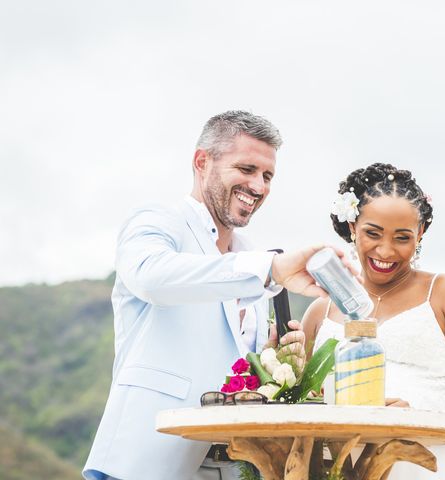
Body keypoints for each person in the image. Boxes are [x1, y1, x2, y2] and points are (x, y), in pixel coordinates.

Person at [83, 111, 352, 480]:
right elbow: (152, 279)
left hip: (237, 466)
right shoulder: (157, 220)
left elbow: (235, 364)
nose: (258, 186)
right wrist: (269, 270)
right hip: (149, 457)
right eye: (246, 169)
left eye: (267, 176)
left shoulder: (252, 256)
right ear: (202, 162)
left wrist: (273, 361)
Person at [302, 163, 445, 479]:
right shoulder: (319, 312)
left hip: (432, 465)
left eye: (402, 237)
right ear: (352, 225)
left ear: (420, 233)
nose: (386, 250)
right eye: (373, 233)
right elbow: (304, 406)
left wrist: (418, 424)